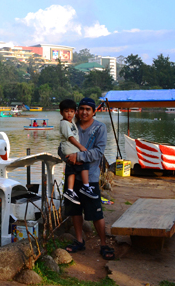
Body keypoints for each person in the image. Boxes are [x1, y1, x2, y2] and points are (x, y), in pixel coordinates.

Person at [59, 97, 115, 260]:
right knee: (75, 211)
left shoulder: (100, 128)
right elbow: (61, 146)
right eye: (81, 108)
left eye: (87, 109)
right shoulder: (70, 124)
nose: (83, 112)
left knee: (96, 213)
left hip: (89, 178)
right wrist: (66, 156)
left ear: (93, 112)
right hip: (72, 177)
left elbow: (98, 152)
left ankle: (103, 243)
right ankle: (79, 240)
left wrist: (79, 156)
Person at [59, 99, 97, 205]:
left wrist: (85, 113)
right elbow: (70, 137)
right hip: (71, 150)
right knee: (83, 164)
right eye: (66, 111)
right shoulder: (65, 124)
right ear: (61, 112)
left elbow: (76, 118)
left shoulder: (71, 122)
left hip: (71, 150)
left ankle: (70, 190)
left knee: (72, 170)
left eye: (72, 111)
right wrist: (81, 147)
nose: (69, 114)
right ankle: (85, 186)